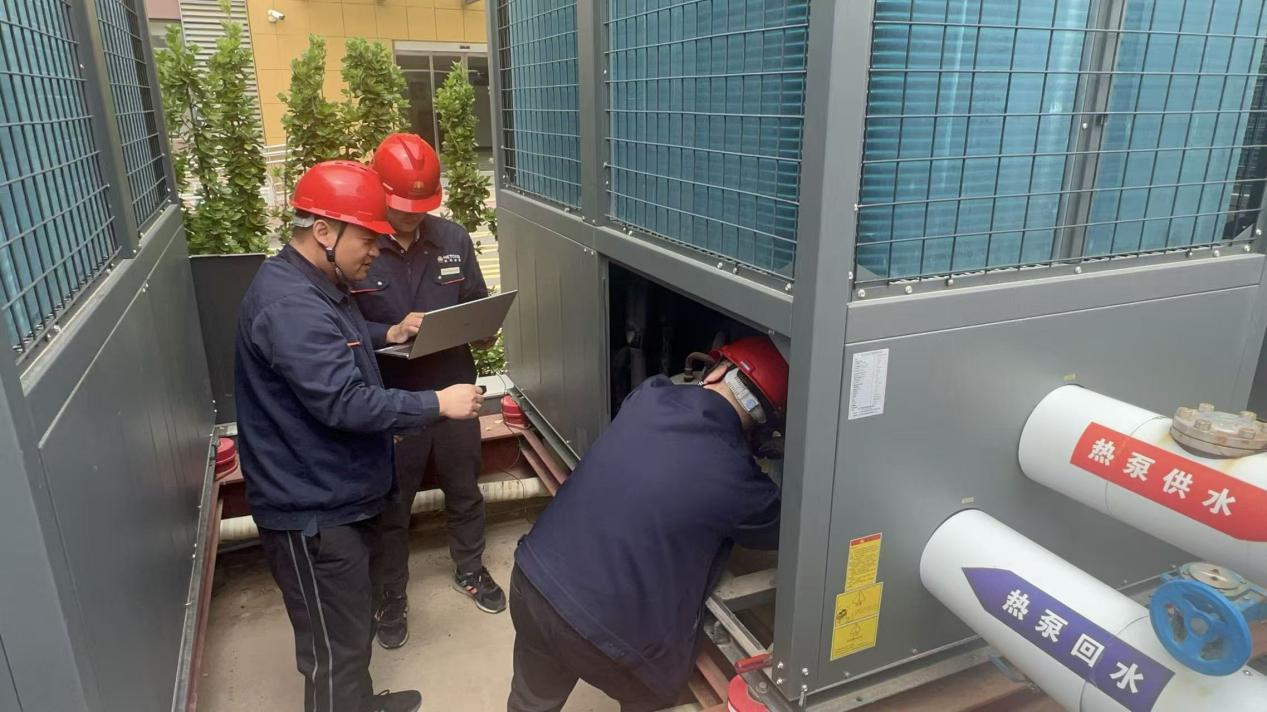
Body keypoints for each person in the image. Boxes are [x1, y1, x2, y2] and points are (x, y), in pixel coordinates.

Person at [234, 160, 484, 712]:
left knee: (351, 631)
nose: (376, 250)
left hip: (336, 494)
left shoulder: (318, 285)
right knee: (334, 652)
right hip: (311, 510)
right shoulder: (291, 306)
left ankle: (360, 704)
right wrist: (437, 403)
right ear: (324, 230)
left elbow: (341, 345)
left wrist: (387, 332)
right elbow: (343, 401)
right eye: (367, 239)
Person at [506, 336, 789, 712]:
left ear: (714, 372)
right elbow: (781, 528)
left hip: (532, 581)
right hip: (606, 637)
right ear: (766, 424)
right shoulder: (739, 479)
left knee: (531, 701)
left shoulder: (649, 395)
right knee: (654, 692)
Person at [352, 133, 505, 651]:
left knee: (465, 488)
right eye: (401, 206)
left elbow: (475, 303)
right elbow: (338, 329)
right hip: (394, 400)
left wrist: (483, 329)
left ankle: (470, 568)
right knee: (393, 506)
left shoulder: (452, 239)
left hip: (455, 389)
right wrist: (391, 331)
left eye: (421, 207)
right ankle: (390, 594)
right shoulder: (360, 248)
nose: (411, 216)